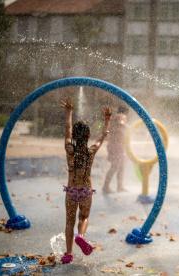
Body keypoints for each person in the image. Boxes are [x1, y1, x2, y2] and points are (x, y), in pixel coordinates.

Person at [60, 98, 111, 264]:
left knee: (69, 222)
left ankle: (68, 254)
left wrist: (69, 112)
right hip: (86, 191)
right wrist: (107, 120)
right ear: (88, 135)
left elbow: (67, 129)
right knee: (84, 217)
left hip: (71, 191)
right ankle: (80, 236)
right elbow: (103, 137)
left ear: (74, 135)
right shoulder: (91, 151)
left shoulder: (69, 149)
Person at [103, 105, 129, 193]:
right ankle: (106, 187)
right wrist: (128, 128)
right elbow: (121, 123)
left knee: (121, 166)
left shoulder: (114, 118)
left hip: (116, 145)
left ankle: (119, 186)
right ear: (126, 112)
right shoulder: (121, 116)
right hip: (116, 146)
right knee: (115, 166)